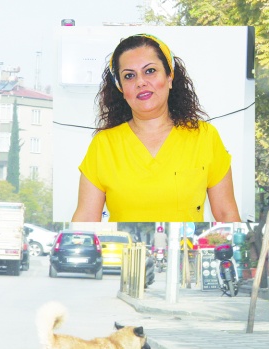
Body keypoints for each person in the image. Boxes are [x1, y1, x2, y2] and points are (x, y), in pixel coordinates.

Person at [72, 34, 241, 222]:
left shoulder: (205, 136)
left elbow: (227, 215)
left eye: (150, 71)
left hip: (186, 250)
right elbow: (85, 218)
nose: (140, 82)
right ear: (121, 88)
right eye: (129, 76)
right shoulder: (103, 145)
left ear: (170, 77)